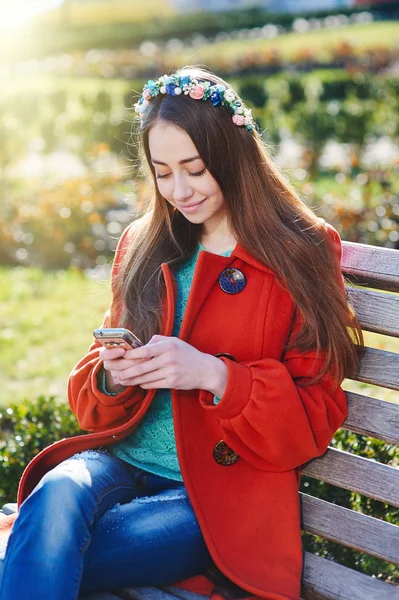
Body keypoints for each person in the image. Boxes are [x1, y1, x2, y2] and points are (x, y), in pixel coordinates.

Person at [0, 65, 363, 600]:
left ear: (233, 155)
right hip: (120, 461)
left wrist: (215, 375)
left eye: (195, 169)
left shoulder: (300, 249)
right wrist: (113, 375)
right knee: (55, 495)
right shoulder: (145, 241)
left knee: (39, 549)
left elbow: (316, 415)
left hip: (214, 497)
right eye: (163, 172)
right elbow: (89, 403)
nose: (178, 191)